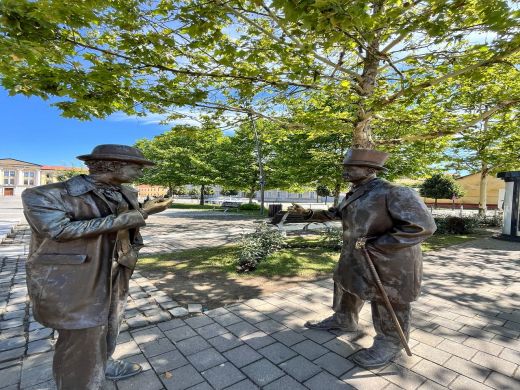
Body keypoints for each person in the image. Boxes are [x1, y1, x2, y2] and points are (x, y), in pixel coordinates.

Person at [22, 145, 172, 389]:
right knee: (82, 336)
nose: (141, 173)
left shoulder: (127, 192)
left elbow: (122, 227)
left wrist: (133, 242)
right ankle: (79, 382)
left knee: (111, 322)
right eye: (137, 167)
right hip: (75, 277)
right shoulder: (45, 195)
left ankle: (103, 362)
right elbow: (58, 230)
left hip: (118, 269)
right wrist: (142, 212)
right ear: (112, 165)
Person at [303, 148, 436, 368]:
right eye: (345, 167)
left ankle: (391, 342)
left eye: (350, 167)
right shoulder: (356, 191)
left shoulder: (394, 192)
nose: (345, 171)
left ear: (369, 169)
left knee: (388, 299)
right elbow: (337, 213)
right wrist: (308, 214)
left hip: (388, 260)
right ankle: (344, 319)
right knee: (346, 284)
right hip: (355, 255)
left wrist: (377, 245)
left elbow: (423, 226)